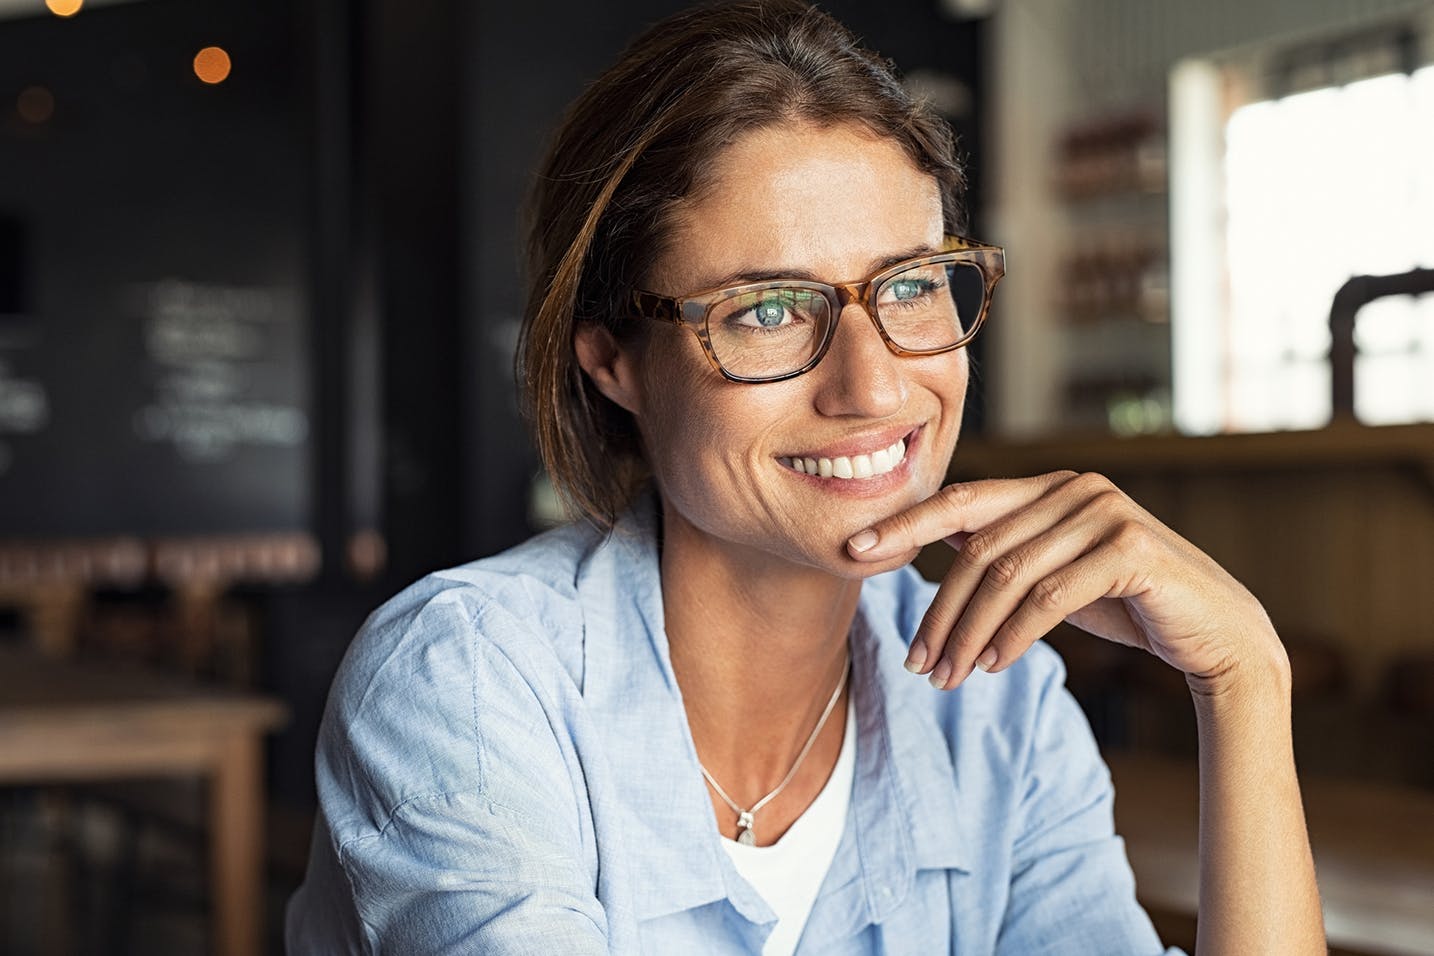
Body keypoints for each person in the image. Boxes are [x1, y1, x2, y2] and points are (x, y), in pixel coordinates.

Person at [287, 2, 1325, 953]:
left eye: (912, 285)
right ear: (611, 358)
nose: (872, 385)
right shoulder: (470, 682)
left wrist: (1244, 676)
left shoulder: (999, 712)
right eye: (770, 308)